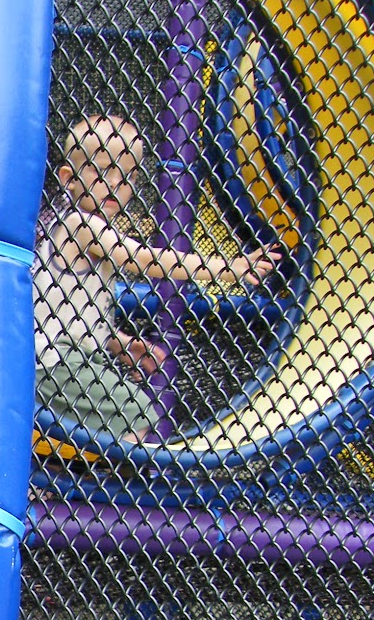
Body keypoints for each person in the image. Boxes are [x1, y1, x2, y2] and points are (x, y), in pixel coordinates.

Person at [34, 114, 282, 441]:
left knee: (118, 412)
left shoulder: (77, 226)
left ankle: (71, 473)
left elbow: (72, 311)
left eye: (127, 176)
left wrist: (120, 342)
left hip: (62, 355)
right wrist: (227, 268)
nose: (115, 184)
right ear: (69, 178)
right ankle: (99, 483)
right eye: (103, 170)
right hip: (53, 360)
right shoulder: (80, 225)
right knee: (135, 410)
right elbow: (142, 259)